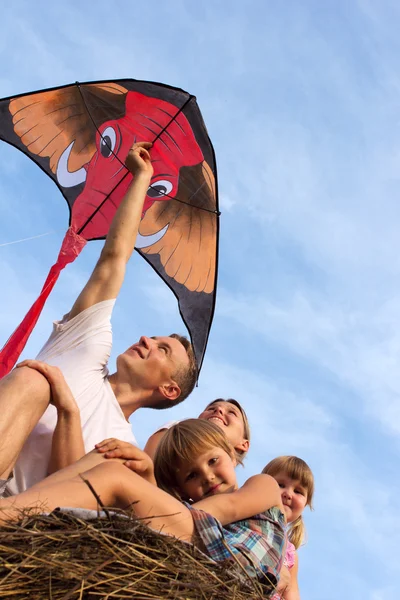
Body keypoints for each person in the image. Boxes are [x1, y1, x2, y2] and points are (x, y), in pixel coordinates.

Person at [0, 141, 197, 497]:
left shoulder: (123, 450)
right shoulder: (86, 349)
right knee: (33, 381)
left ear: (170, 390)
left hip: (18, 519)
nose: (145, 340)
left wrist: (67, 408)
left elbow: (64, 499)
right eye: (155, 338)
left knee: (41, 383)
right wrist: (142, 178)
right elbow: (113, 260)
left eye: (163, 350)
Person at [0, 419, 285, 589]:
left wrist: (145, 488)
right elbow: (182, 521)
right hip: (201, 549)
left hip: (231, 567)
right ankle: (17, 508)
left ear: (232, 456)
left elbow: (226, 509)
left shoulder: (264, 484)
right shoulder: (190, 514)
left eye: (213, 461)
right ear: (182, 490)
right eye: (191, 475)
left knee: (114, 477)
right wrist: (147, 479)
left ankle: (6, 514)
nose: (208, 476)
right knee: (112, 459)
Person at [263, 456, 314, 600]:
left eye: (298, 491)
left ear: (305, 504)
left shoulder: (290, 553)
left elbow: (292, 595)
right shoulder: (245, 518)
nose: (288, 494)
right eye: (280, 485)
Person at [142, 398, 250, 462]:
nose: (218, 409)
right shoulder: (175, 431)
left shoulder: (245, 492)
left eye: (232, 412)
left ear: (244, 444)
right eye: (211, 409)